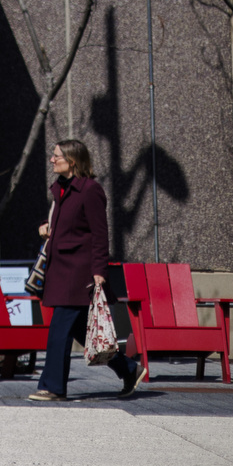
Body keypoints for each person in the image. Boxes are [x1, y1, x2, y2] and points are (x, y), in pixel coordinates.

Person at [30, 139, 142, 402]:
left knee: (59, 328)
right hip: (59, 272)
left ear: (72, 161)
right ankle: (129, 368)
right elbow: (66, 222)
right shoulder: (59, 188)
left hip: (79, 275)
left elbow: (100, 235)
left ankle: (53, 387)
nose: (51, 160)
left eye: (56, 156)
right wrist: (47, 226)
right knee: (83, 331)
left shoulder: (91, 190)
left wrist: (99, 271)